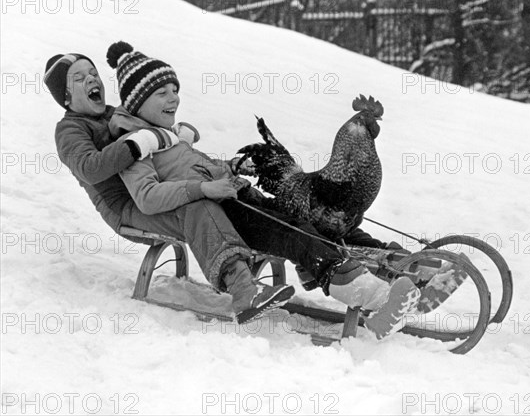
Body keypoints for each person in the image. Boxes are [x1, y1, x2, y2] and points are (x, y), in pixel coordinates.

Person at [103, 41, 423, 338]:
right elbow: (146, 198)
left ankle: (387, 263)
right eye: (161, 93)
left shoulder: (169, 138)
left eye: (174, 89)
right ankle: (369, 294)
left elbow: (197, 168)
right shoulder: (134, 146)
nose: (174, 98)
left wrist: (231, 168)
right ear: (138, 102)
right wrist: (205, 188)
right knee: (290, 232)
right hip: (222, 214)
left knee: (309, 223)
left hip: (238, 197)